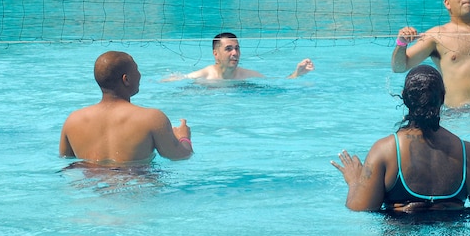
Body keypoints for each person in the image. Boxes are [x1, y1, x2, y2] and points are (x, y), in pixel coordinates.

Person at [332, 65, 470, 212]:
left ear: (404, 98)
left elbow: (361, 208)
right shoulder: (469, 153)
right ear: (442, 98)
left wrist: (354, 181)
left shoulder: (385, 150)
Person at [59, 51, 193, 164]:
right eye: (137, 70)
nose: (140, 75)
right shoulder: (152, 119)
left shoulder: (73, 120)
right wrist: (183, 137)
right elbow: (180, 156)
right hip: (138, 189)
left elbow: (66, 160)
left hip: (90, 191)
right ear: (126, 79)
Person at [177, 32, 314, 80]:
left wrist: (297, 73)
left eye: (237, 48)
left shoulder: (247, 75)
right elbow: (173, 82)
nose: (235, 53)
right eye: (228, 49)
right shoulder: (203, 76)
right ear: (216, 54)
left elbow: (277, 82)